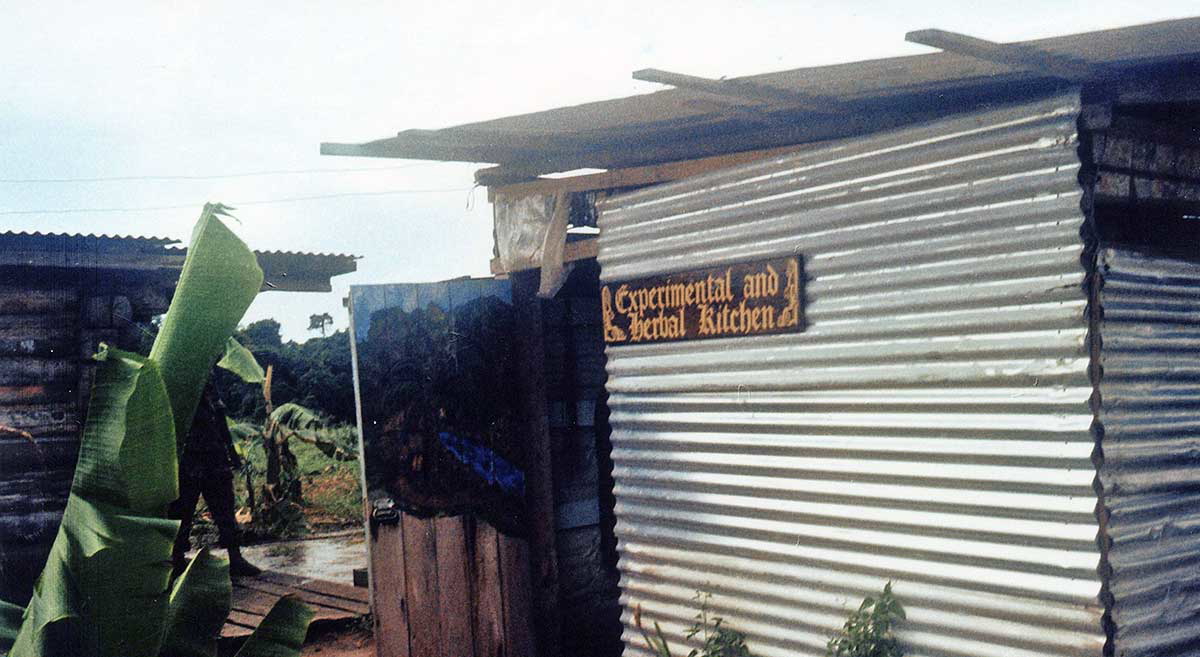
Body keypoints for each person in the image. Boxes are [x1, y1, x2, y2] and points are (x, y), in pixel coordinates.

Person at [169, 380, 262, 578]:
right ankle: (177, 561)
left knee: (225, 509)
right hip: (188, 455)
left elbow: (219, 415)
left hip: (213, 452)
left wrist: (231, 451)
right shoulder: (180, 374)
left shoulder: (207, 377)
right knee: (182, 511)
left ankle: (235, 558)